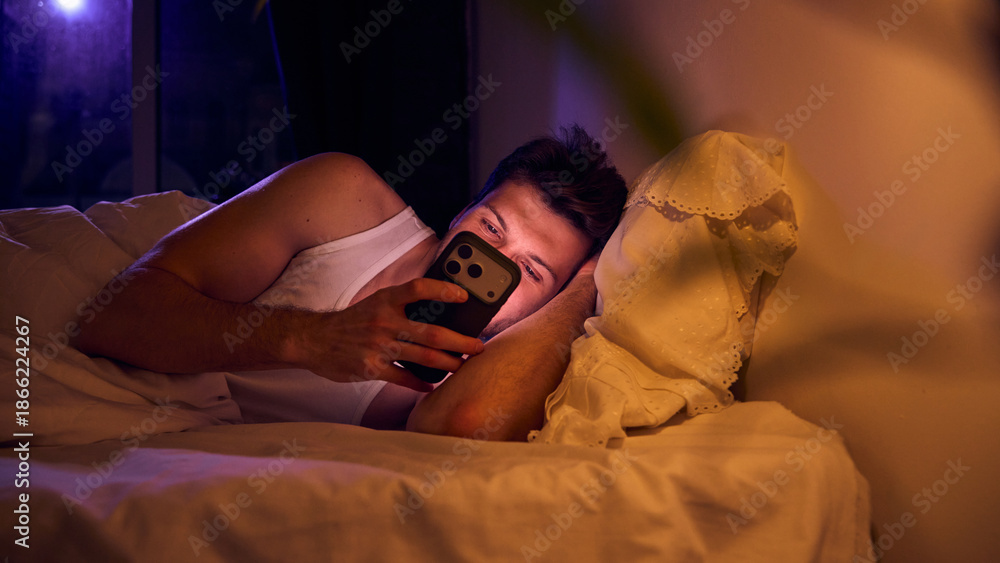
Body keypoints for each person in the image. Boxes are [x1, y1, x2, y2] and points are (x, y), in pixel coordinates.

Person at [73, 125, 628, 441]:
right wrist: (315, 340)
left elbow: (464, 424)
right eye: (490, 227)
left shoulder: (505, 364)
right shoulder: (343, 198)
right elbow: (113, 315)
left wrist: (583, 286)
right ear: (461, 214)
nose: (493, 263)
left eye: (530, 271)